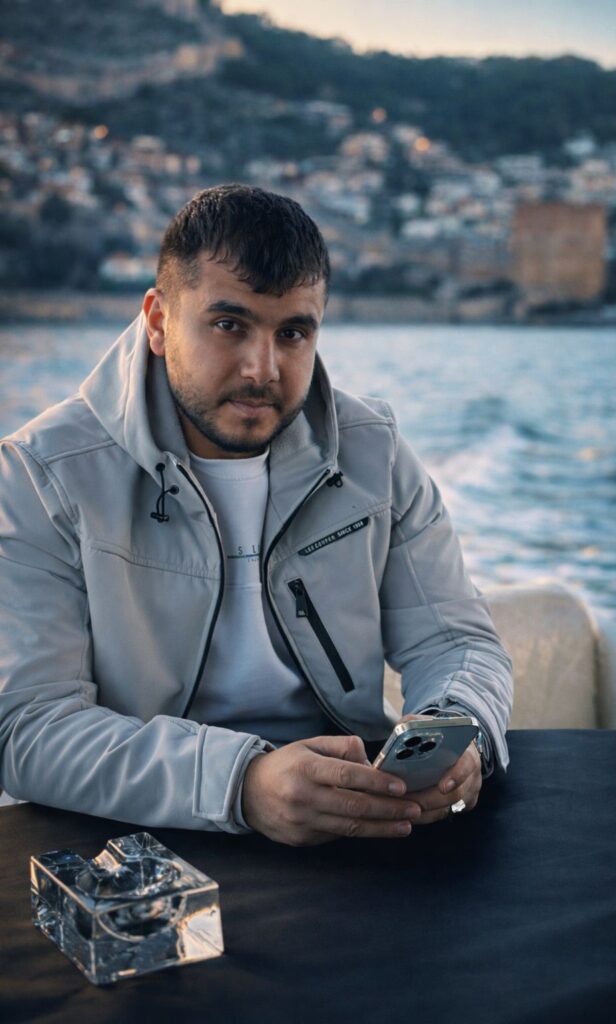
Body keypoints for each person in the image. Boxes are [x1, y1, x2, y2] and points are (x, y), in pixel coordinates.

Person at [0, 184, 513, 846]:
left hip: (349, 813)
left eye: (292, 333)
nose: (261, 369)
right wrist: (242, 785)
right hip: (138, 835)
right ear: (157, 321)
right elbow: (29, 729)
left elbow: (455, 642)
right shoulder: (41, 472)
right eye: (228, 325)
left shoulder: (372, 449)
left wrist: (457, 732)